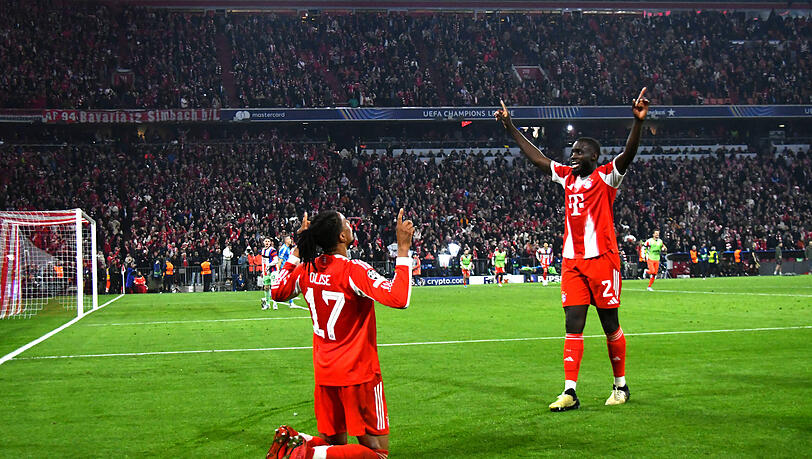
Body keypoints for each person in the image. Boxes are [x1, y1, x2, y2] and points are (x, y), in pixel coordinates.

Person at [496, 87, 649, 410]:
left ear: (594, 156)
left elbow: (629, 154)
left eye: (579, 152)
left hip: (603, 262)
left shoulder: (608, 176)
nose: (573, 155)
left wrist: (637, 123)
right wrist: (511, 127)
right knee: (572, 324)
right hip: (572, 263)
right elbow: (537, 158)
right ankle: (570, 391)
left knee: (610, 325)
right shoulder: (566, 177)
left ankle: (620, 386)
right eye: (572, 151)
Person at [268, 209, 414, 459]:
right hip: (359, 374)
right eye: (347, 223)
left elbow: (277, 291)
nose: (351, 225)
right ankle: (307, 454)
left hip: (325, 374)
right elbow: (399, 298)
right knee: (377, 454)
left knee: (333, 444)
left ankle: (297, 441)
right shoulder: (353, 270)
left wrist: (297, 252)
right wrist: (402, 249)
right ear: (342, 237)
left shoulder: (306, 269)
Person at [260, 238, 280, 310]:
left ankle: (275, 303)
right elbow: (263, 262)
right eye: (266, 241)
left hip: (273, 270)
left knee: (274, 287)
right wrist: (263, 271)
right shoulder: (263, 250)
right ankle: (268, 304)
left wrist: (269, 265)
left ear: (270, 243)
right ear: (263, 242)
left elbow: (276, 260)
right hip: (266, 271)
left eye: (268, 241)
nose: (267, 243)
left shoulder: (272, 250)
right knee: (266, 287)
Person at [278, 236, 297, 308]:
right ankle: (291, 302)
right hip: (285, 269)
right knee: (289, 284)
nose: (290, 240)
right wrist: (278, 269)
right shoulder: (283, 248)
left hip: (287, 268)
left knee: (290, 284)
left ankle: (291, 300)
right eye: (289, 239)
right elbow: (280, 259)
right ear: (286, 240)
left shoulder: (287, 248)